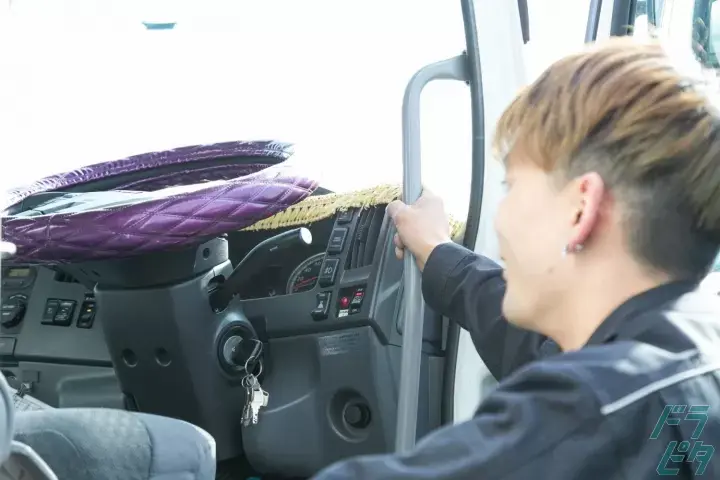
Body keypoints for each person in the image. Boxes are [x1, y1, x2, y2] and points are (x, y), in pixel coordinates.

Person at [312, 37, 720, 479]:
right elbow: (528, 342)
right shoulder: (687, 358)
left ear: (580, 209)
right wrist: (436, 250)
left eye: (512, 187)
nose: (500, 221)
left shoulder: (586, 411)